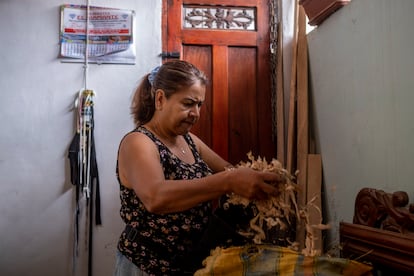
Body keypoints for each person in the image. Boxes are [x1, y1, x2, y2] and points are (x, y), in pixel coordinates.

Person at [113, 60, 284, 276]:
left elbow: (229, 171)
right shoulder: (138, 142)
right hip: (145, 265)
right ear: (160, 99)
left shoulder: (190, 140)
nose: (196, 113)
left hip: (190, 263)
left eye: (199, 105)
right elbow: (155, 197)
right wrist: (229, 182)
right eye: (187, 103)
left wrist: (256, 179)